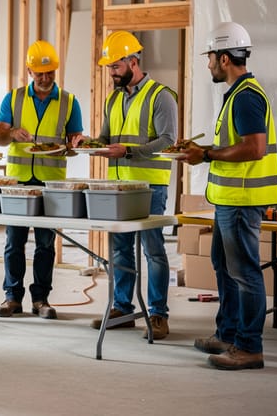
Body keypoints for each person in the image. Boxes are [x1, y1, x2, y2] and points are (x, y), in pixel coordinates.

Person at [178, 22, 277, 370]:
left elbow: (253, 149)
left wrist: (205, 156)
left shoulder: (246, 97)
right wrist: (200, 150)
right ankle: (229, 334)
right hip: (229, 201)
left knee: (245, 273)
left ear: (224, 58)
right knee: (224, 267)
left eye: (209, 58)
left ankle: (249, 347)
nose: (208, 64)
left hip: (240, 202)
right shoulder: (238, 95)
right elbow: (232, 146)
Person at [88, 31, 178, 340]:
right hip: (117, 187)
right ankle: (123, 309)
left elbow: (168, 140)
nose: (111, 72)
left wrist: (127, 151)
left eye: (115, 66)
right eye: (109, 67)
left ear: (133, 61)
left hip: (150, 186)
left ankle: (158, 314)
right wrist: (85, 144)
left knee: (153, 250)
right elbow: (105, 138)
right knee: (120, 250)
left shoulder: (161, 95)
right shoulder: (113, 97)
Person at [0, 40, 84, 319]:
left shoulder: (69, 102)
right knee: (13, 241)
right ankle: (12, 297)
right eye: (39, 73)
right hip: (19, 181)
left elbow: (74, 139)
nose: (45, 79)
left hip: (51, 182)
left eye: (50, 73)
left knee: (45, 243)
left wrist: (76, 143)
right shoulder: (14, 98)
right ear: (29, 71)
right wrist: (12, 133)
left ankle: (41, 299)